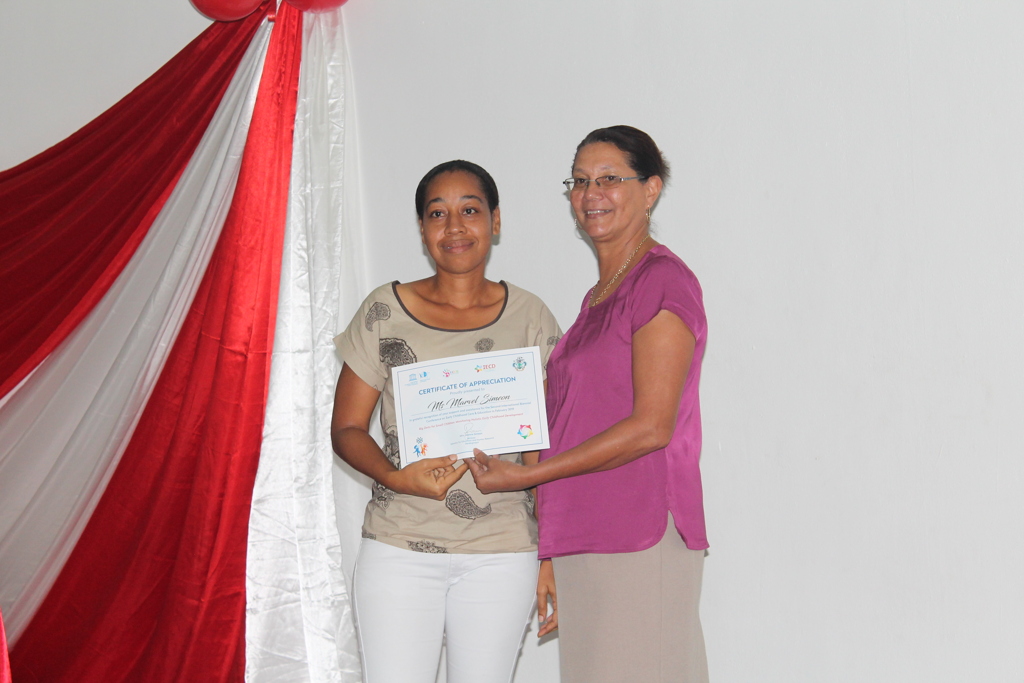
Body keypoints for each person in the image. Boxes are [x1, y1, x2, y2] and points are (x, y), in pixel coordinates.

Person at [467, 126, 710, 683]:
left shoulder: (661, 280)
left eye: (608, 179)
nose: (590, 193)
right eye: (579, 181)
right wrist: (548, 546)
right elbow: (568, 423)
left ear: (650, 190)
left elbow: (651, 427)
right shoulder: (597, 298)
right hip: (585, 535)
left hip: (637, 532)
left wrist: (527, 477)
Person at [331, 159, 562, 683]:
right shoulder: (383, 311)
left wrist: (551, 553)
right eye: (438, 213)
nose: (454, 227)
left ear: (495, 221)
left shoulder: (531, 317)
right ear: (421, 229)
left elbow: (543, 449)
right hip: (398, 546)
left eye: (470, 210)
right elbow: (346, 428)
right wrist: (395, 477)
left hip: (504, 551)